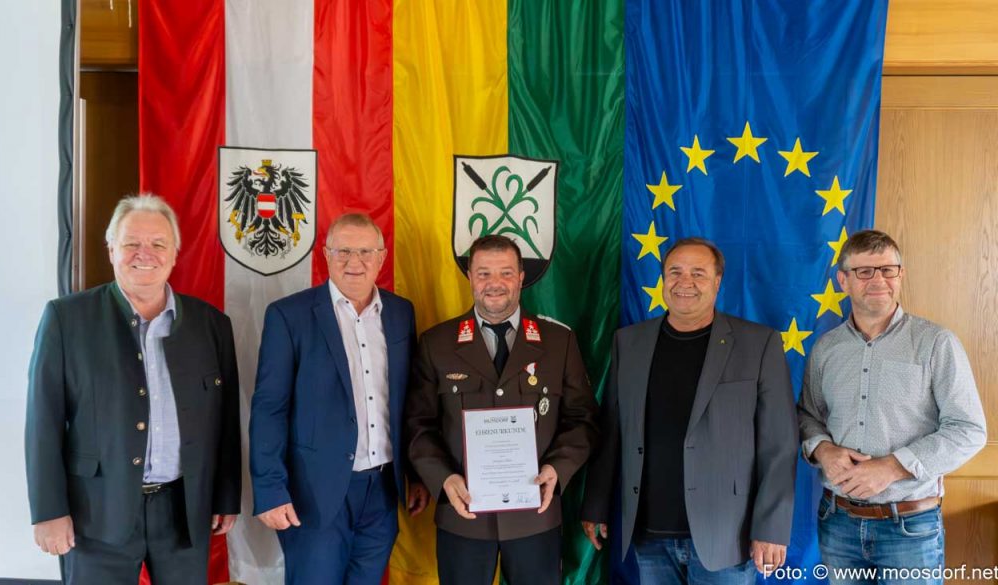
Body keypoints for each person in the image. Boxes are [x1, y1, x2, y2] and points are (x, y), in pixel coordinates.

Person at [25, 194, 241, 584]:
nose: (146, 254)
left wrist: (226, 497)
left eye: (158, 243)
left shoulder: (212, 325)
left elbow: (225, 422)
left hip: (183, 512)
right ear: (111, 250)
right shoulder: (67, 319)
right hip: (95, 512)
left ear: (174, 254)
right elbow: (43, 423)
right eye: (132, 243)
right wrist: (49, 511)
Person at [581, 237, 798, 583]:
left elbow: (779, 444)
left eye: (698, 273)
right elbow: (612, 429)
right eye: (675, 272)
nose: (685, 282)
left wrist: (771, 527)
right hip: (649, 533)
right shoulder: (629, 342)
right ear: (663, 278)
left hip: (727, 535)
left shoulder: (759, 343)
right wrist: (595, 504)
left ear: (717, 281)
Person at [405, 234, 598, 585]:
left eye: (506, 273)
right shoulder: (437, 343)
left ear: (521, 277)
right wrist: (443, 478)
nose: (494, 283)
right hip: (463, 514)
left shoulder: (558, 342)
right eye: (484, 273)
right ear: (470, 277)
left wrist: (557, 468)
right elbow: (419, 425)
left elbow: (582, 418)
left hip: (535, 514)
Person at [797, 229, 986, 584]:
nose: (878, 280)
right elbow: (807, 415)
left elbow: (969, 430)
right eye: (864, 271)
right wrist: (823, 450)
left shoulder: (936, 343)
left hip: (910, 528)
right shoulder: (826, 349)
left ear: (900, 275)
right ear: (843, 281)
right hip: (837, 523)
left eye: (888, 270)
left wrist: (893, 467)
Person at [249, 212, 428, 585]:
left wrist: (415, 474)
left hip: (382, 491)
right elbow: (269, 409)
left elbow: (408, 401)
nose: (354, 262)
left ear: (381, 257)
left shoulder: (401, 313)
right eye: (343, 251)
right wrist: (269, 489)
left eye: (365, 252)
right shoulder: (289, 316)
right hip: (314, 492)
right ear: (326, 255)